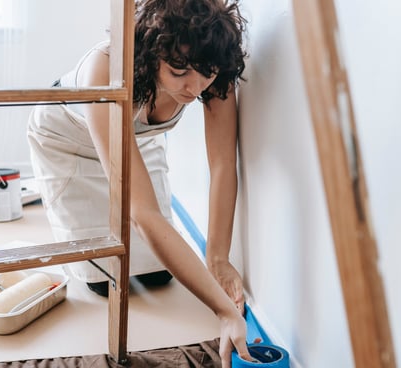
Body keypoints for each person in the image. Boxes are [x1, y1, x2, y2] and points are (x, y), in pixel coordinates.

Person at [27, 0, 252, 365]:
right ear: (152, 50)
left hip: (136, 140)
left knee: (159, 274)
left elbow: (224, 164)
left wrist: (218, 259)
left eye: (206, 73)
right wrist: (224, 311)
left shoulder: (213, 66)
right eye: (179, 71)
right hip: (65, 142)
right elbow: (143, 213)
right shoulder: (107, 68)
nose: (195, 88)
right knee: (106, 282)